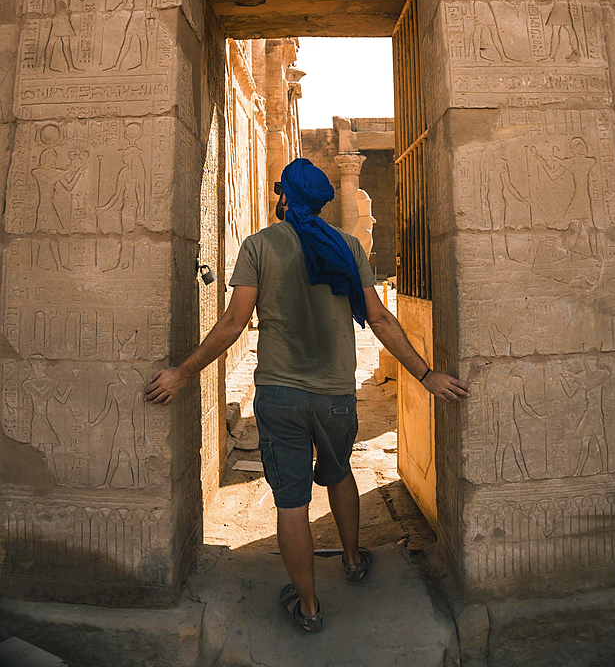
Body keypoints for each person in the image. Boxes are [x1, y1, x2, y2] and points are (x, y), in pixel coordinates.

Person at [145, 158, 470, 635]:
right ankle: (355, 561)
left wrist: (181, 373)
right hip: (336, 394)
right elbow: (379, 319)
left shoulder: (259, 247)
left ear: (286, 197)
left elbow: (233, 324)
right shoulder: (348, 246)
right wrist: (426, 376)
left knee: (291, 504)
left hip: (280, 396)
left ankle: (311, 606)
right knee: (340, 474)